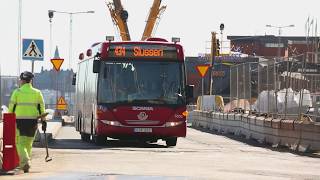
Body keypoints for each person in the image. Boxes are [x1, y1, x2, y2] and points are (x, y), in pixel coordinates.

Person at [8, 71, 46, 173]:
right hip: (33, 121)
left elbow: (11, 107)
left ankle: (25, 162)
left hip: (20, 121)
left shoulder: (17, 92)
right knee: (29, 143)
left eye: (20, 79)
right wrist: (44, 121)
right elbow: (42, 108)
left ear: (23, 80)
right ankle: (26, 164)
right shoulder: (37, 92)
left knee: (19, 143)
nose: (20, 81)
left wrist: (9, 117)